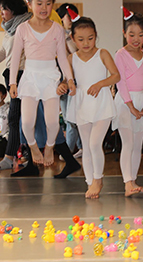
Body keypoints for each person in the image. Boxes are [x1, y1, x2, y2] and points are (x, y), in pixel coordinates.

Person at [9, 0, 76, 167]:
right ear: (29, 4)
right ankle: (32, 146)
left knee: (53, 122)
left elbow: (62, 56)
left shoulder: (57, 29)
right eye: (39, 3)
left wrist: (70, 79)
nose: (44, 8)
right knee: (26, 122)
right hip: (30, 77)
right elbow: (16, 57)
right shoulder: (22, 28)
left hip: (50, 77)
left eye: (48, 3)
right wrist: (12, 83)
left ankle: (49, 147)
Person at [66, 13, 120, 199]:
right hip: (81, 103)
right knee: (87, 146)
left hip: (102, 102)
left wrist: (100, 84)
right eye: (80, 39)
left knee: (95, 143)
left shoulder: (102, 53)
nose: (86, 43)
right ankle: (90, 182)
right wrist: (65, 86)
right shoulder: (71, 58)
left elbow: (116, 76)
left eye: (90, 38)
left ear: (96, 35)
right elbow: (66, 80)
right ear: (73, 39)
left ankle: (98, 179)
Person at [0, 0, 31, 170]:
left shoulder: (25, 26)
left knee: (16, 116)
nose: (1, 13)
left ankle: (13, 156)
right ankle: (20, 156)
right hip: (11, 73)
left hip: (22, 74)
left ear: (13, 8)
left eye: (4, 9)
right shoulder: (9, 30)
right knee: (18, 117)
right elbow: (4, 51)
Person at [113, 8, 143, 196]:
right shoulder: (120, 54)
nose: (136, 39)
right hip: (125, 103)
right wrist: (130, 106)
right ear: (124, 34)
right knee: (127, 144)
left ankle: (133, 180)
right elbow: (120, 82)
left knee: (138, 146)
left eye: (140, 34)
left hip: (141, 102)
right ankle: (127, 183)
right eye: (131, 34)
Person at [56, 3, 83, 159]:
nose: (71, 17)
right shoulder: (57, 34)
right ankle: (79, 147)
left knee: (71, 118)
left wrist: (67, 36)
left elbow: (76, 53)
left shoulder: (73, 36)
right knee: (68, 117)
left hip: (74, 80)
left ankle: (68, 151)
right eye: (68, 15)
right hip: (62, 80)